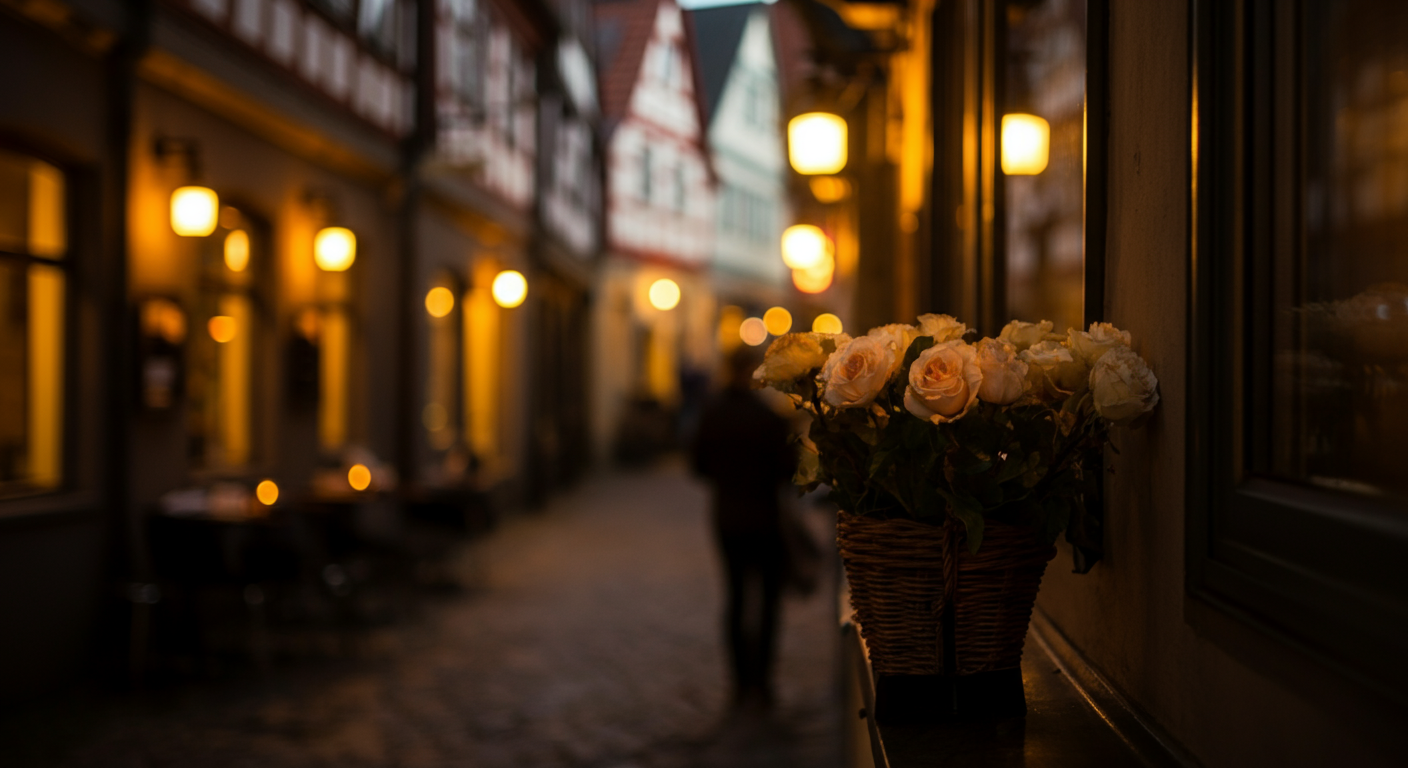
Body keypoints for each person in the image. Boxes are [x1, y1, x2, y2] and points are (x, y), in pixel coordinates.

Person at [691, 347, 795, 708]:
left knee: (735, 597)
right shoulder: (769, 417)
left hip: (727, 517)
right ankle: (762, 682)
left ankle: (739, 683)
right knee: (768, 601)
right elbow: (787, 470)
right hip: (765, 517)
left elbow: (699, 467)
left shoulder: (712, 414)